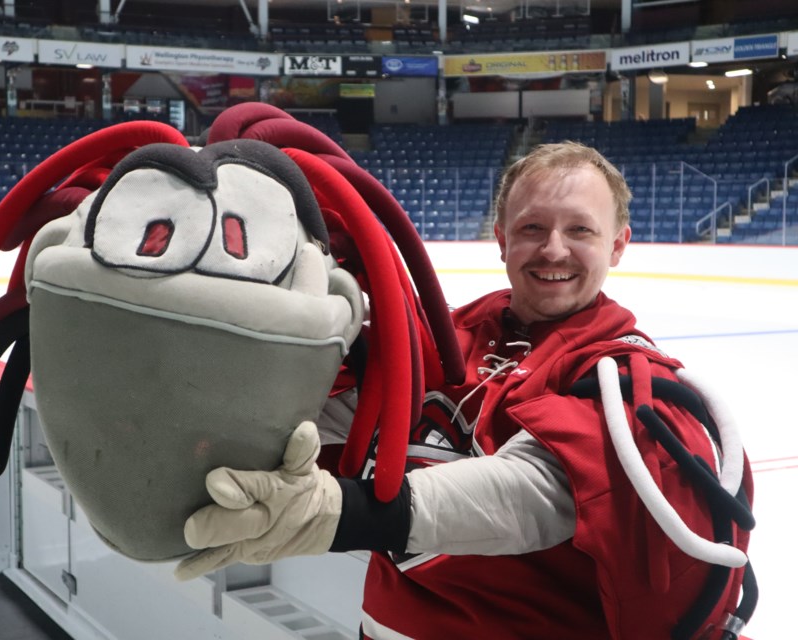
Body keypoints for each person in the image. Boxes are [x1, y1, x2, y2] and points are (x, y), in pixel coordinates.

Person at [174, 141, 755, 640]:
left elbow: (540, 493)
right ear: (501, 239)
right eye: (532, 228)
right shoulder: (444, 338)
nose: (554, 249)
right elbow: (322, 414)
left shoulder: (620, 373)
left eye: (580, 230)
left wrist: (337, 514)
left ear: (618, 245)